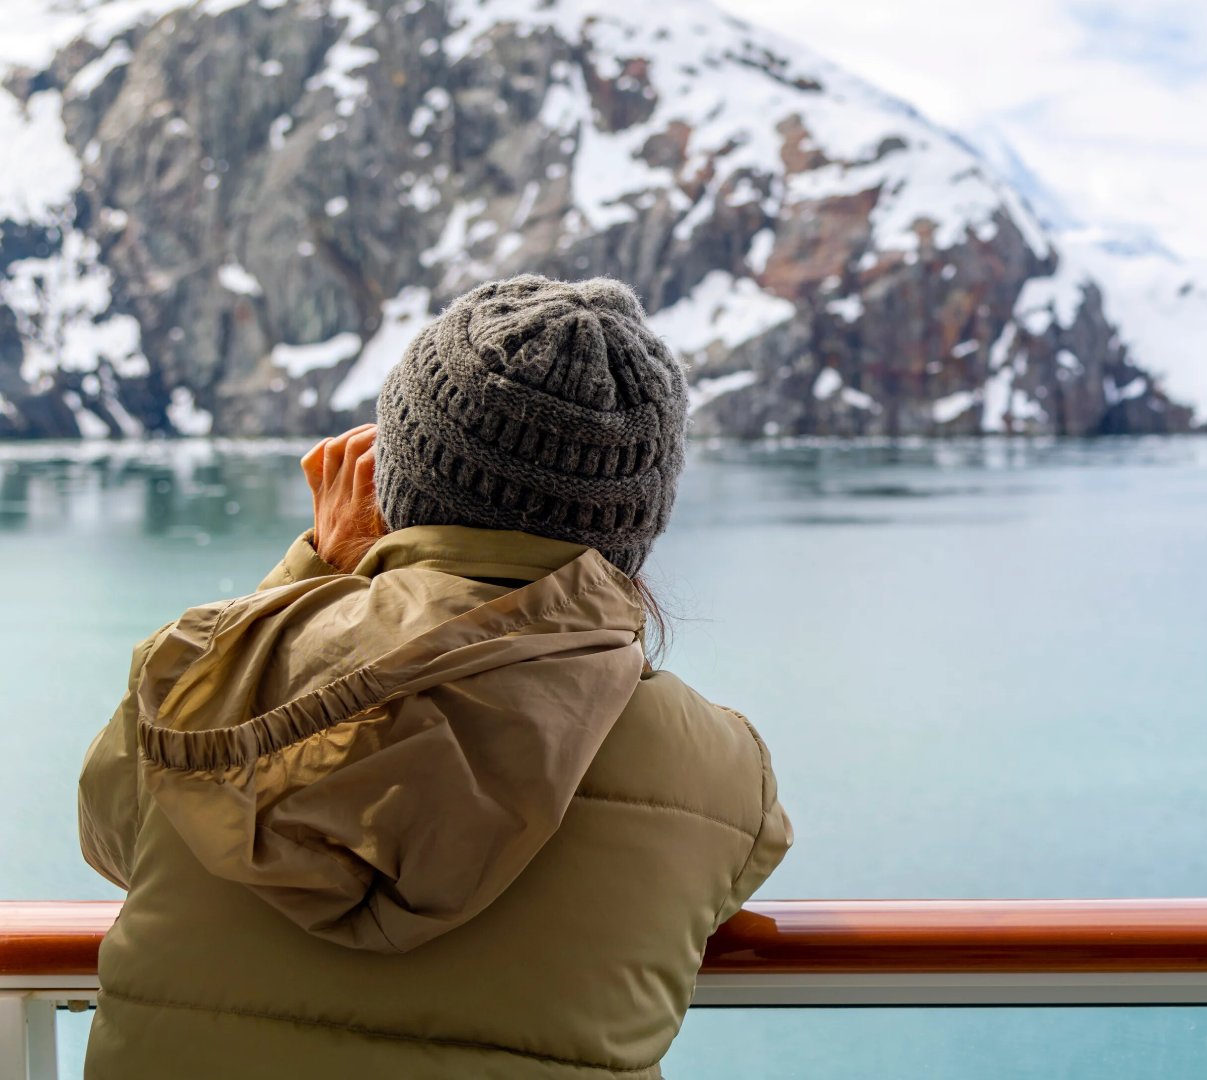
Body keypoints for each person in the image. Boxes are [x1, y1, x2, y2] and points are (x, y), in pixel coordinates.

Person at [76, 275, 791, 1079]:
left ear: (392, 480)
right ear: (633, 520)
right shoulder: (724, 772)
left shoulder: (195, 673)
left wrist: (307, 588)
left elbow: (114, 838)